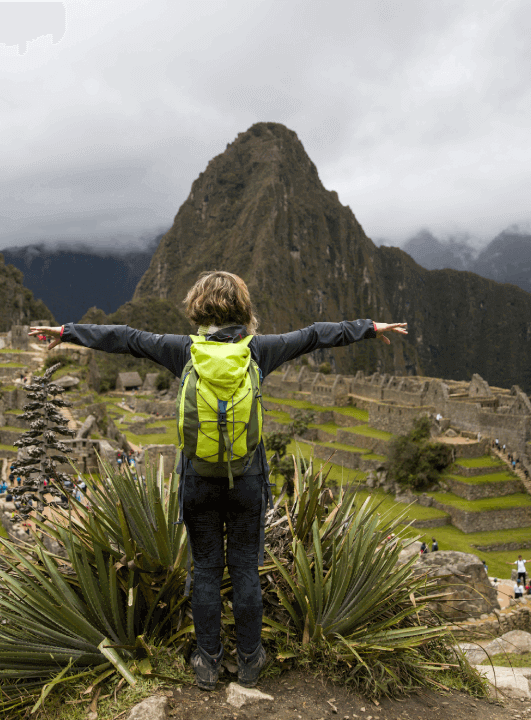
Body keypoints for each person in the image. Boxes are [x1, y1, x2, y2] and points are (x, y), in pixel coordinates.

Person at [29, 270, 407, 692]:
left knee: (205, 569)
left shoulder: (182, 351)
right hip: (247, 481)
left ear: (197, 309)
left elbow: (126, 337)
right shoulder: (259, 350)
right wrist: (368, 329)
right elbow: (316, 334)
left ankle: (207, 662)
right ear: (243, 309)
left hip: (198, 481)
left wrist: (68, 332)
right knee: (244, 567)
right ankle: (249, 660)